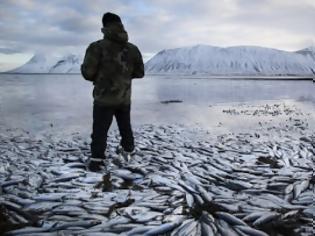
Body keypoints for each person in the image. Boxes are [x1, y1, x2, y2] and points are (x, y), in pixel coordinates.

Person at [81, 12, 144, 171]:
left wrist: (102, 76)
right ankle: (129, 150)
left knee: (100, 130)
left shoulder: (96, 47)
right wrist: (123, 77)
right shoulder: (132, 49)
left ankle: (97, 160)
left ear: (104, 27)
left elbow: (88, 73)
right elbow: (140, 73)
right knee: (125, 126)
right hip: (124, 97)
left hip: (104, 98)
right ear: (121, 25)